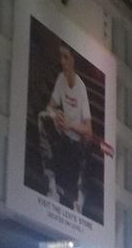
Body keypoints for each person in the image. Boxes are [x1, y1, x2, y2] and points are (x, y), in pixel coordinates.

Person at [38, 42, 92, 209]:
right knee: (43, 117)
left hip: (75, 141)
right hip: (62, 133)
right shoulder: (61, 78)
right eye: (61, 57)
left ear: (73, 60)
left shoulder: (81, 88)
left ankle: (74, 193)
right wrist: (56, 115)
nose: (62, 61)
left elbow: (88, 130)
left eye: (66, 57)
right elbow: (50, 107)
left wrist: (70, 125)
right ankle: (51, 183)